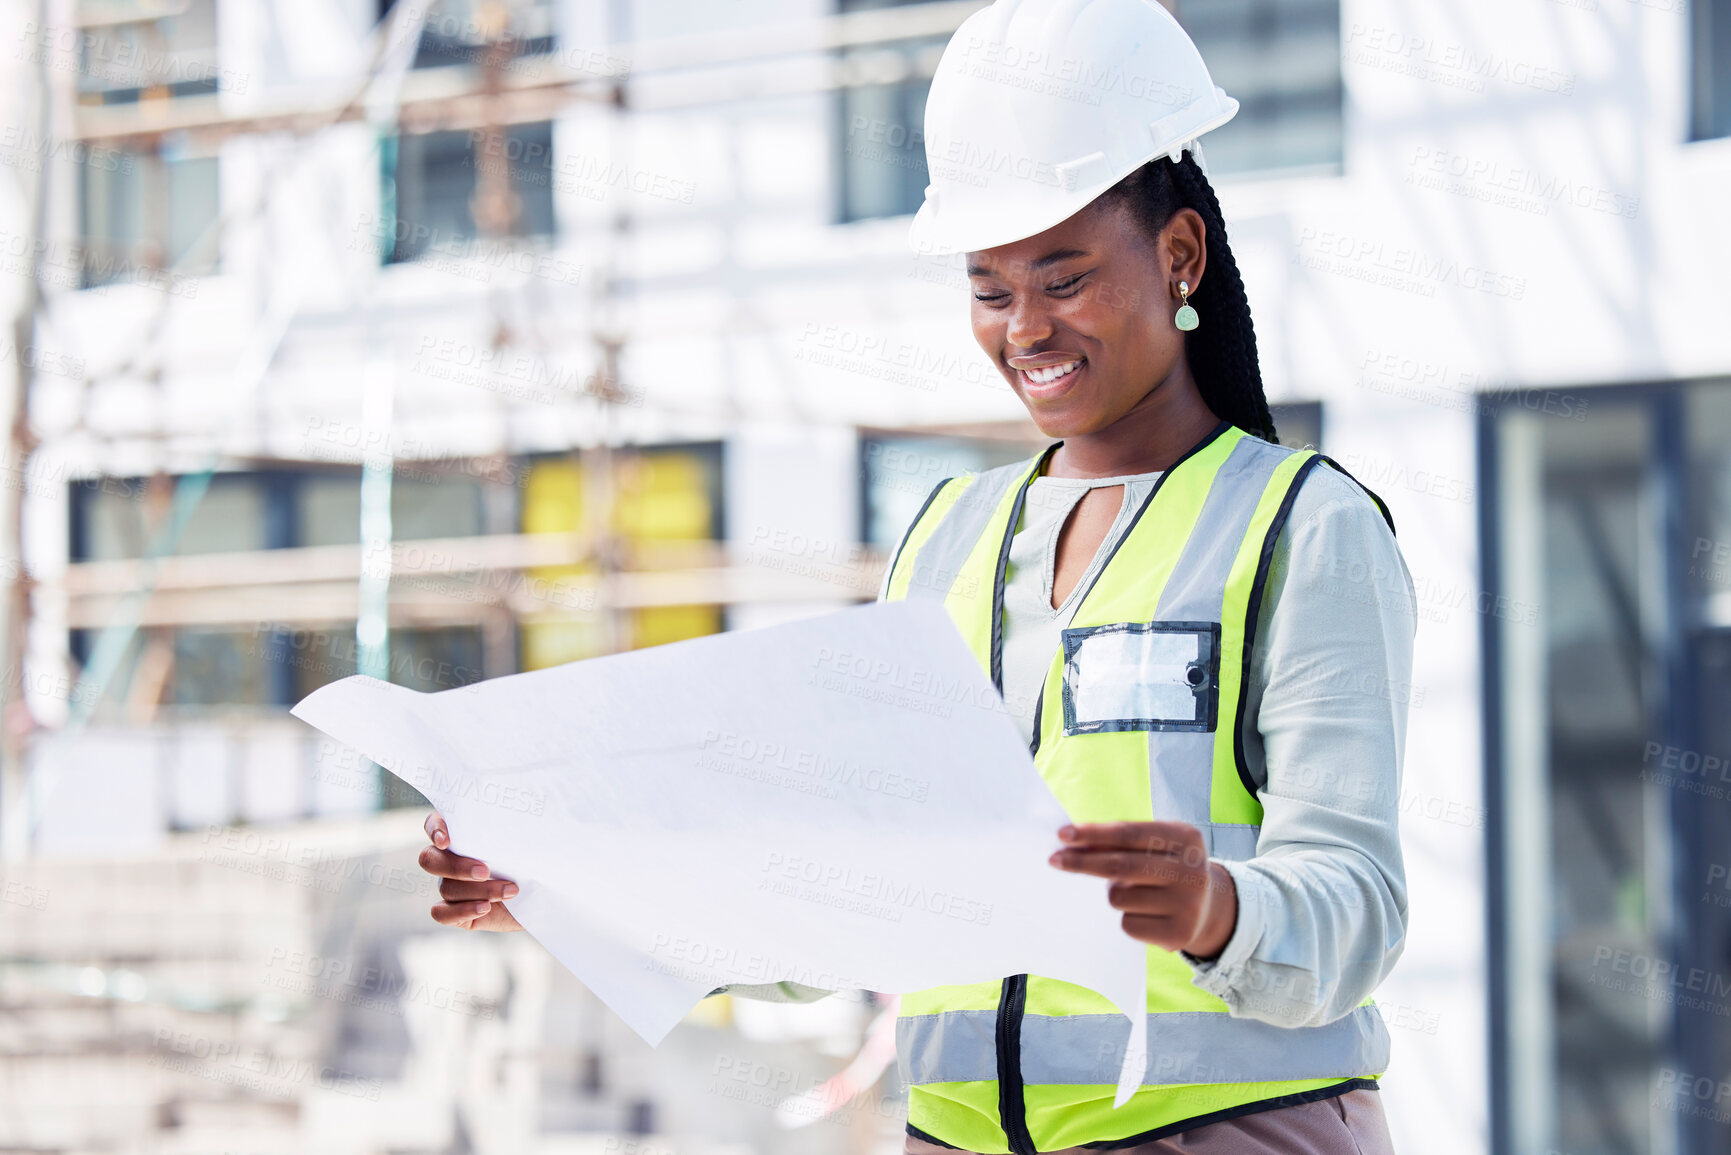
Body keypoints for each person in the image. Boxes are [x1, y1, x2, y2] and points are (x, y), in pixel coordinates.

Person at [418, 1, 1415, 1151]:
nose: (1026, 328)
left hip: (1226, 1131)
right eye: (992, 290)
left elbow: (1360, 905)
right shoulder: (947, 538)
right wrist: (557, 889)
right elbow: (846, 904)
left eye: (1066, 276)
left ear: (1179, 254)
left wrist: (1217, 910)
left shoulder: (1301, 526)